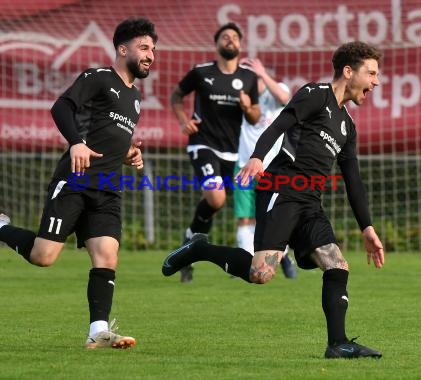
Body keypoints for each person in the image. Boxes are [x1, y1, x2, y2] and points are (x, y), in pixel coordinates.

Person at [162, 41, 385, 359]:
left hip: (310, 202)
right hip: (280, 190)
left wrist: (368, 228)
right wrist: (256, 158)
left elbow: (353, 180)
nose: (375, 81)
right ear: (349, 72)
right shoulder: (314, 95)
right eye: (372, 73)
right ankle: (200, 249)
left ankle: (338, 344)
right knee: (261, 274)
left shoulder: (347, 126)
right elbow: (280, 125)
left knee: (337, 265)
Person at [0, 17, 158, 349]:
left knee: (107, 255)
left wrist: (129, 154)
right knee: (44, 256)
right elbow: (61, 107)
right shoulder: (98, 78)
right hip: (76, 180)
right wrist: (76, 142)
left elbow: (109, 136)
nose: (151, 54)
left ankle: (98, 331)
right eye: (144, 47)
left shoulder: (134, 97)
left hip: (108, 186)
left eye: (153, 49)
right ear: (123, 49)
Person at [170, 22, 260, 283]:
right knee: (217, 199)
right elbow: (176, 96)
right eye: (225, 37)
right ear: (217, 43)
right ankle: (192, 245)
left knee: (214, 205)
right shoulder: (201, 73)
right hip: (203, 144)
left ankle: (189, 244)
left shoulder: (248, 77)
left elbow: (255, 117)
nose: (230, 40)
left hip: (232, 153)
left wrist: (247, 107)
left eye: (234, 37)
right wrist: (183, 120)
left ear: (241, 45)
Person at [234, 57, 297, 279]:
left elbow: (284, 97)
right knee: (245, 218)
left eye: (252, 75)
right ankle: (243, 262)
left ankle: (285, 257)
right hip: (244, 164)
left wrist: (262, 73)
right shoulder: (241, 96)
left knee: (273, 217)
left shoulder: (277, 89)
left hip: (273, 167)